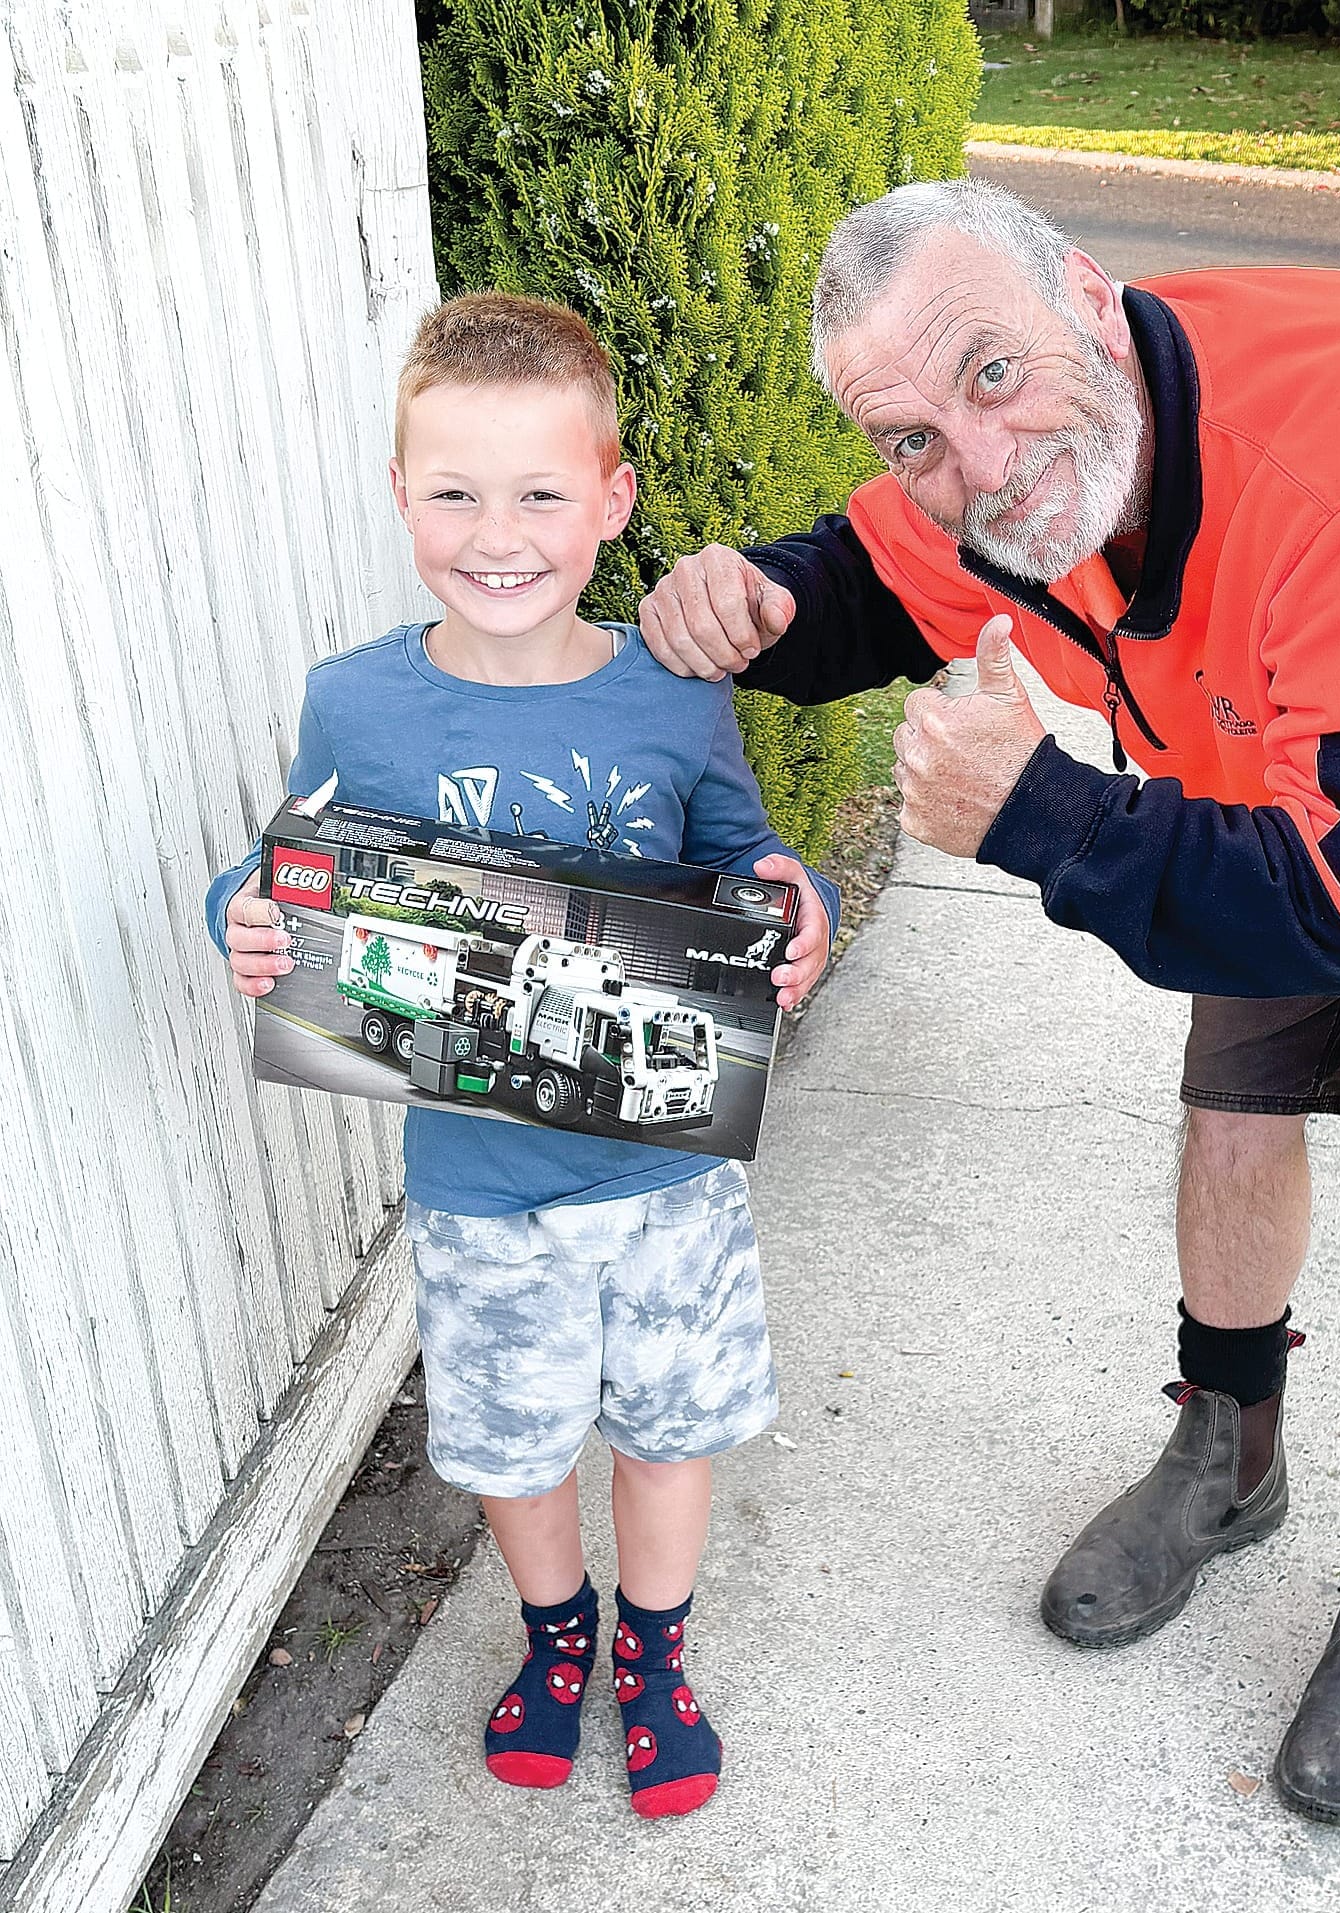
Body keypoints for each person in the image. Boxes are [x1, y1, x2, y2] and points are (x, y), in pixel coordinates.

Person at [635, 179, 1340, 1822]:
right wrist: (757, 606)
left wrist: (1042, 814)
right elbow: (884, 582)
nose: (980, 460)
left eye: (991, 378)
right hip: (1329, 747)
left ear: (1090, 299)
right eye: (912, 436)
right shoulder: (1011, 470)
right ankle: (1225, 1454)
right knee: (1230, 1115)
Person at [205, 292, 838, 1818]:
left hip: (663, 1172)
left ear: (609, 500)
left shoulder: (672, 692)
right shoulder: (355, 696)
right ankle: (558, 1638)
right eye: (454, 492)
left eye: (541, 492)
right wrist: (243, 913)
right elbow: (291, 866)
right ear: (400, 495)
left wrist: (795, 906)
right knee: (513, 1438)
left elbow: (745, 857)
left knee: (665, 1430)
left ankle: (655, 1650)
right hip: (479, 1183)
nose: (499, 534)